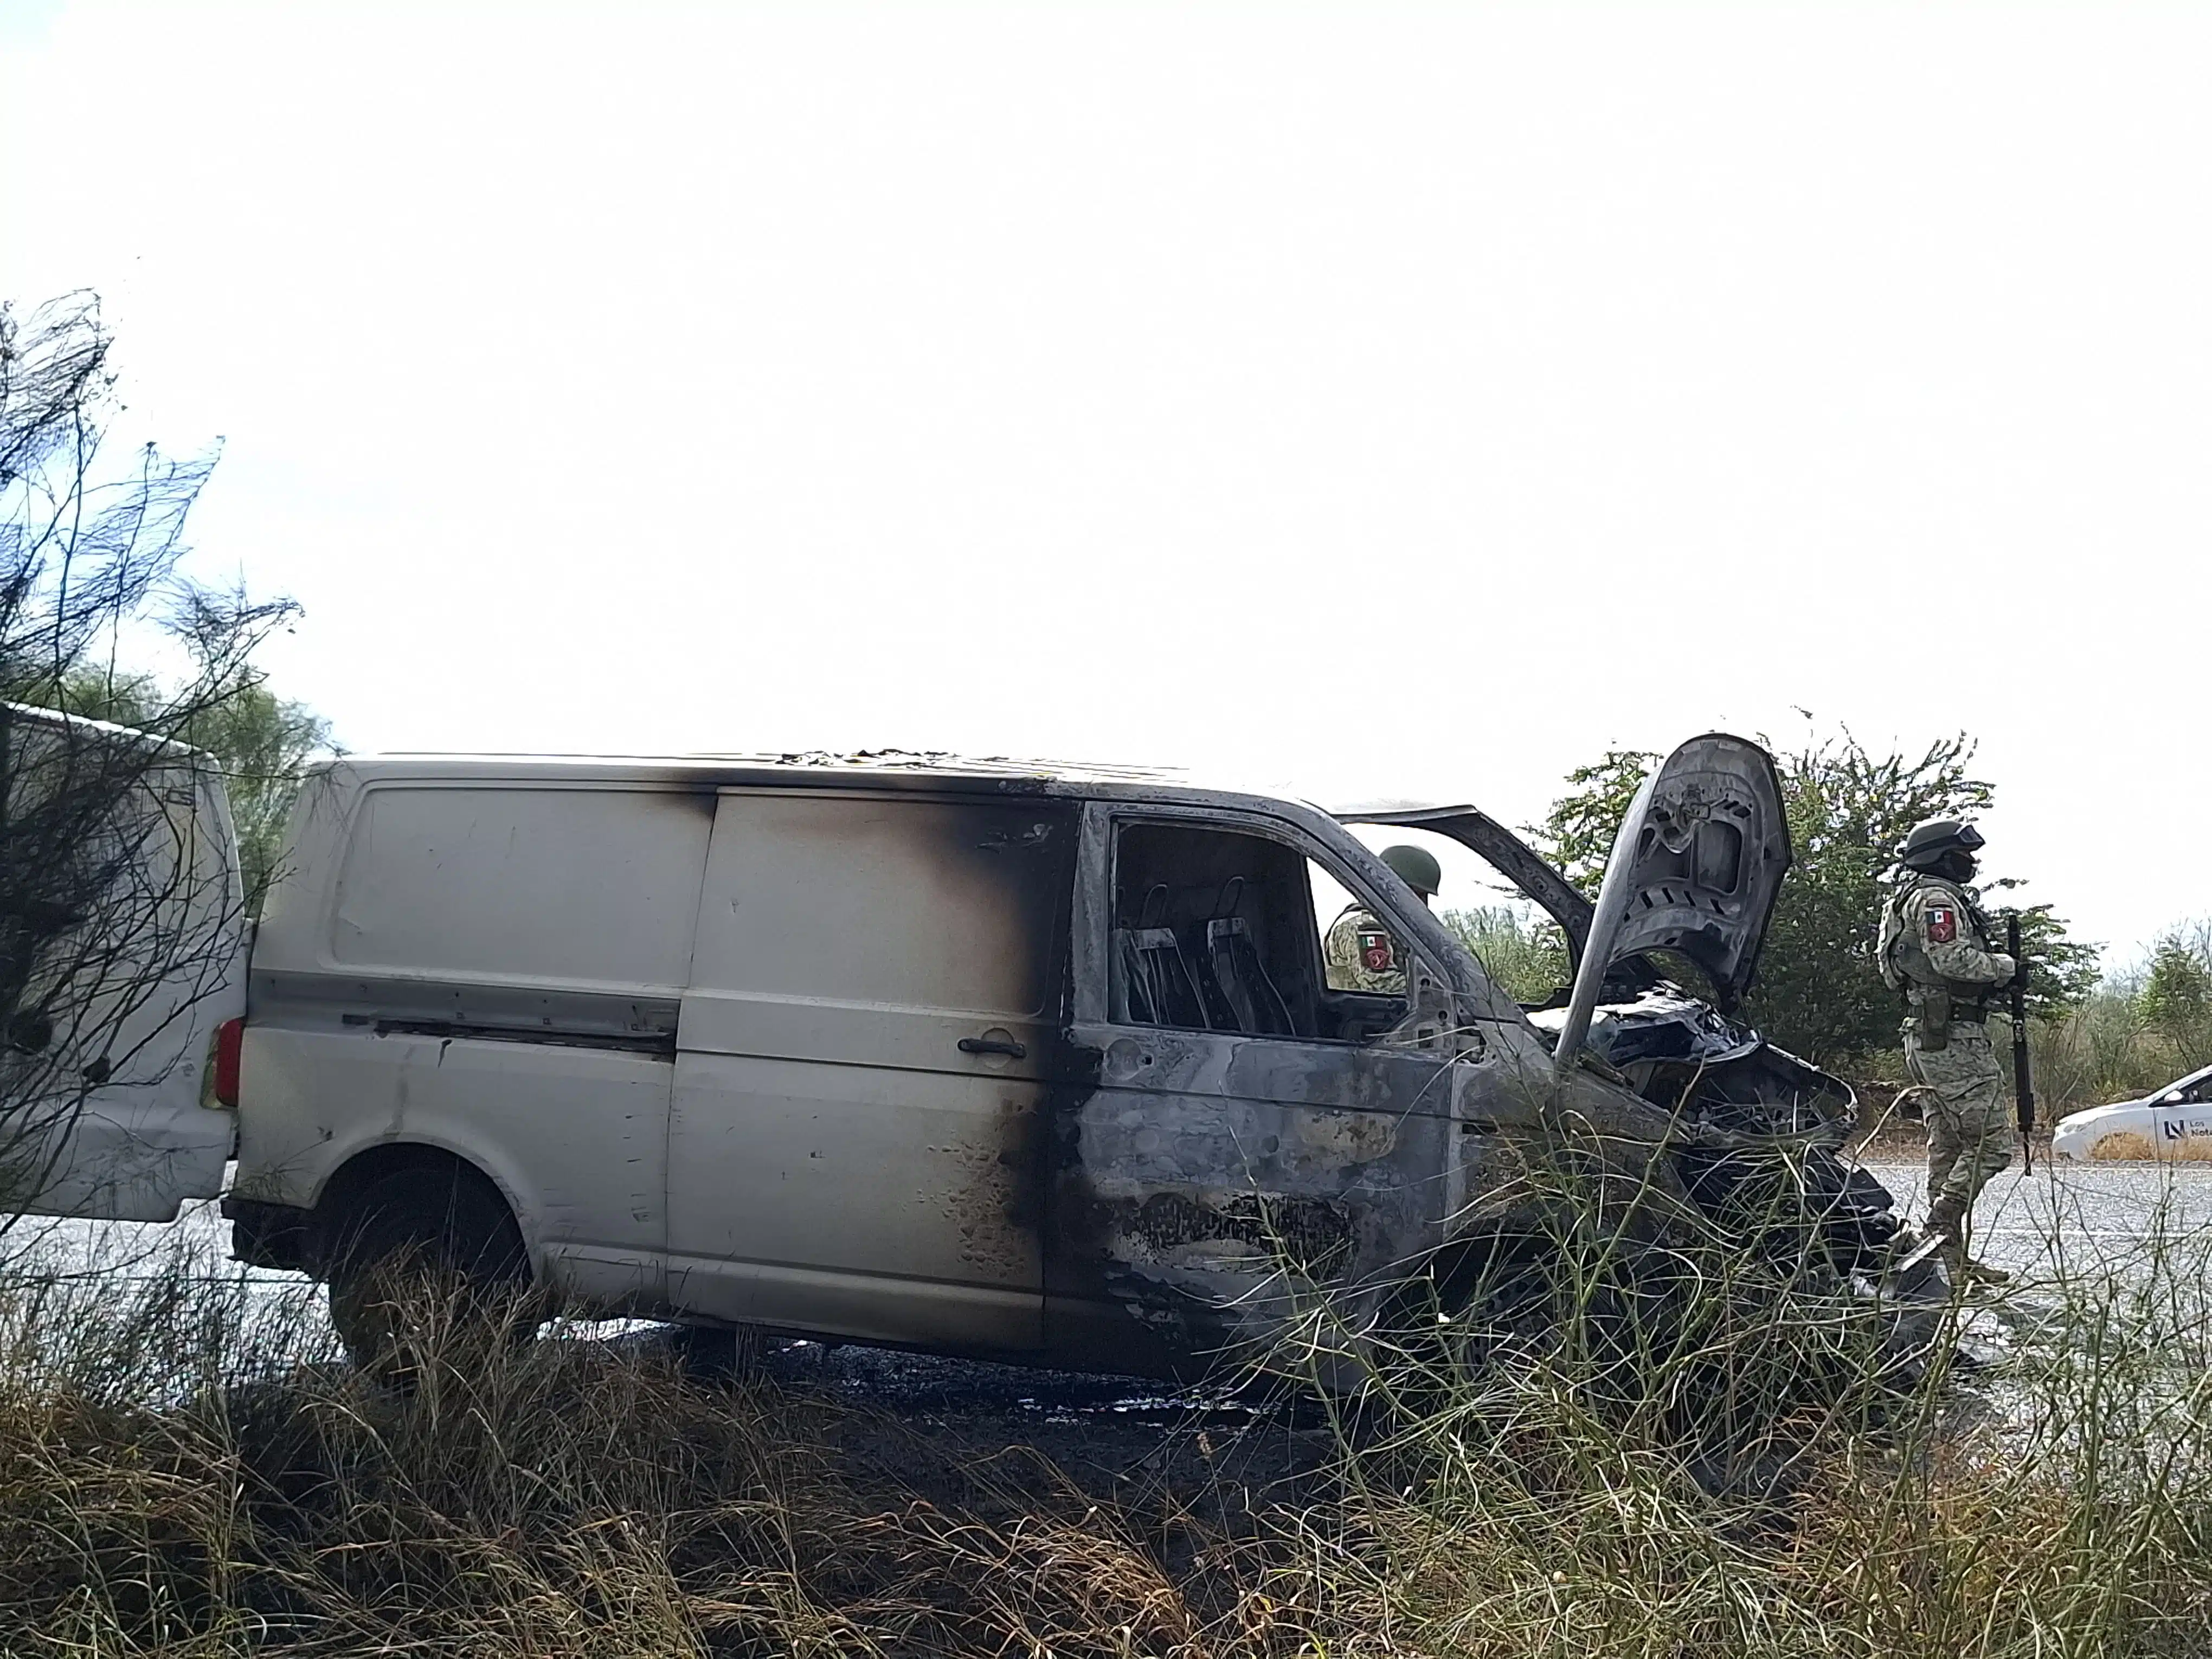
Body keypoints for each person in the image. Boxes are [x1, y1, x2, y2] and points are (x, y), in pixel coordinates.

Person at [1877, 818, 2021, 1284]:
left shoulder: (1904, 899)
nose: (1971, 863)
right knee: (1993, 1145)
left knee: (1949, 1147)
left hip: (1927, 1035)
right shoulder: (1937, 899)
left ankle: (1945, 1264)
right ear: (1941, 857)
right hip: (1953, 1039)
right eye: (1963, 855)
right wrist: (2006, 968)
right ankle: (1937, 1233)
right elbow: (1951, 959)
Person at [1324, 844, 1441, 994]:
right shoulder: (1365, 926)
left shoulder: (1390, 926)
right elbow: (1380, 984)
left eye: (1424, 896)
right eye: (1416, 895)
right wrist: (1440, 993)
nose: (1423, 904)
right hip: (1362, 1016)